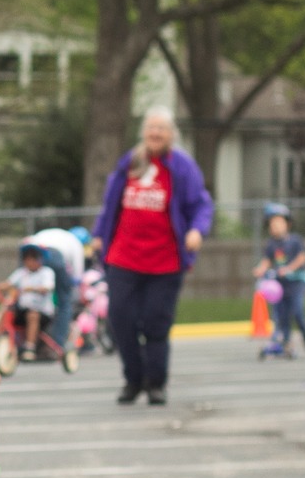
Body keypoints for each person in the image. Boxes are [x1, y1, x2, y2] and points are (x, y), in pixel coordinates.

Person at [91, 107, 214, 406]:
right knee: (121, 319)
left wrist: (197, 230)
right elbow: (111, 205)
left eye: (162, 129)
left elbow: (201, 204)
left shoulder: (182, 167)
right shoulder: (131, 161)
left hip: (165, 261)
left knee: (156, 323)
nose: (156, 134)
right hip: (123, 256)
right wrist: (99, 234)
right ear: (144, 132)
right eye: (151, 128)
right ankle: (133, 379)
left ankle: (156, 383)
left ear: (171, 134)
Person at [254, 203, 305, 355]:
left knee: (298, 312)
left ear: (288, 224)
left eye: (279, 223)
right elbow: (267, 260)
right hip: (280, 286)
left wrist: (289, 268)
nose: (276, 226)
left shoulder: (295, 240)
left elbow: (302, 257)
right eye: (272, 224)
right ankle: (286, 342)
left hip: (296, 283)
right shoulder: (271, 244)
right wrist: (261, 269)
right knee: (282, 315)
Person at [0, 243, 57, 362]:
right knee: (6, 311)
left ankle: (29, 347)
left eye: (32, 259)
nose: (29, 262)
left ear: (39, 260)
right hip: (23, 311)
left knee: (33, 315)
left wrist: (33, 288)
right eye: (27, 259)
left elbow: (48, 287)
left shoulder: (46, 272)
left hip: (42, 313)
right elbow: (8, 284)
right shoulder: (22, 273)